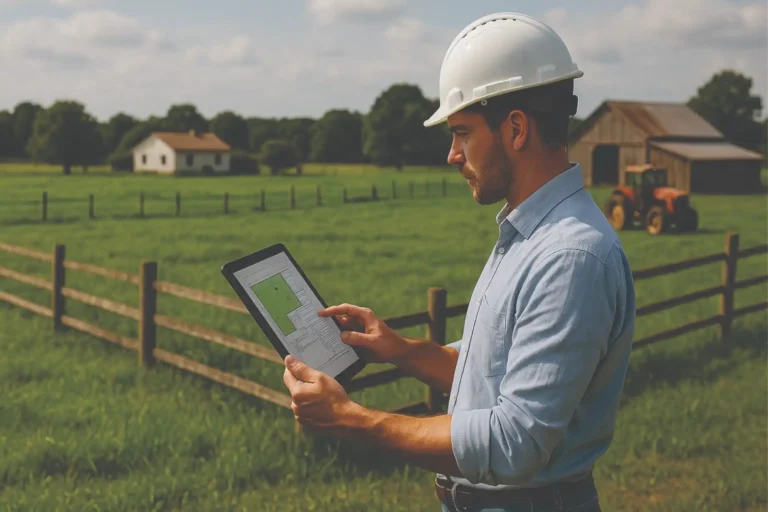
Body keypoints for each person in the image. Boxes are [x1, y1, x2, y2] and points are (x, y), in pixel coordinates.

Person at [283, 12, 636, 512]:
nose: (452, 155)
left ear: (515, 128)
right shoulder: (529, 233)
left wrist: (352, 418)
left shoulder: (569, 256)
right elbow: (492, 378)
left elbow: (514, 442)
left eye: (462, 132)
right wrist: (399, 349)